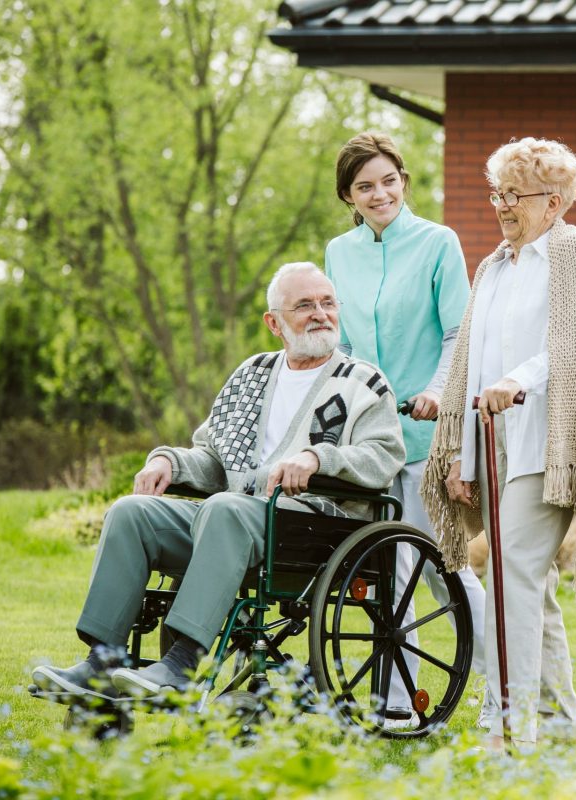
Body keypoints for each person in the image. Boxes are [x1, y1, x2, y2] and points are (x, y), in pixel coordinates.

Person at [31, 262, 405, 700]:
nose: (320, 313)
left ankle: (183, 663)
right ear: (274, 322)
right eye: (304, 305)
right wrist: (169, 463)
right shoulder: (252, 375)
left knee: (225, 508)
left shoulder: (363, 382)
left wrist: (317, 457)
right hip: (229, 522)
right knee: (131, 513)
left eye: (327, 303)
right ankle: (103, 662)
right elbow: (213, 455)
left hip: (312, 528)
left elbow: (385, 456)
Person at [421, 137, 576, 749]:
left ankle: (511, 727)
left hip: (550, 442)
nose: (503, 206)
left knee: (513, 574)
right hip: (493, 445)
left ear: (556, 201)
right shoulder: (492, 266)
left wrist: (519, 381)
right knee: (528, 587)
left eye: (516, 195)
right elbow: (470, 362)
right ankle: (563, 725)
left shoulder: (572, 250)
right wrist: (460, 458)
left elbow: (573, 344)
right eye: (498, 193)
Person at [324, 131, 491, 730]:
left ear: (403, 180)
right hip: (371, 442)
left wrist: (439, 393)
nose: (380, 194)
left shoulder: (438, 243)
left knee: (445, 567)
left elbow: (458, 335)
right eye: (365, 186)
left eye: (389, 180)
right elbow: (342, 346)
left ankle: (507, 687)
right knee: (384, 568)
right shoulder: (339, 253)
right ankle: (397, 702)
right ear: (348, 195)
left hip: (426, 435)